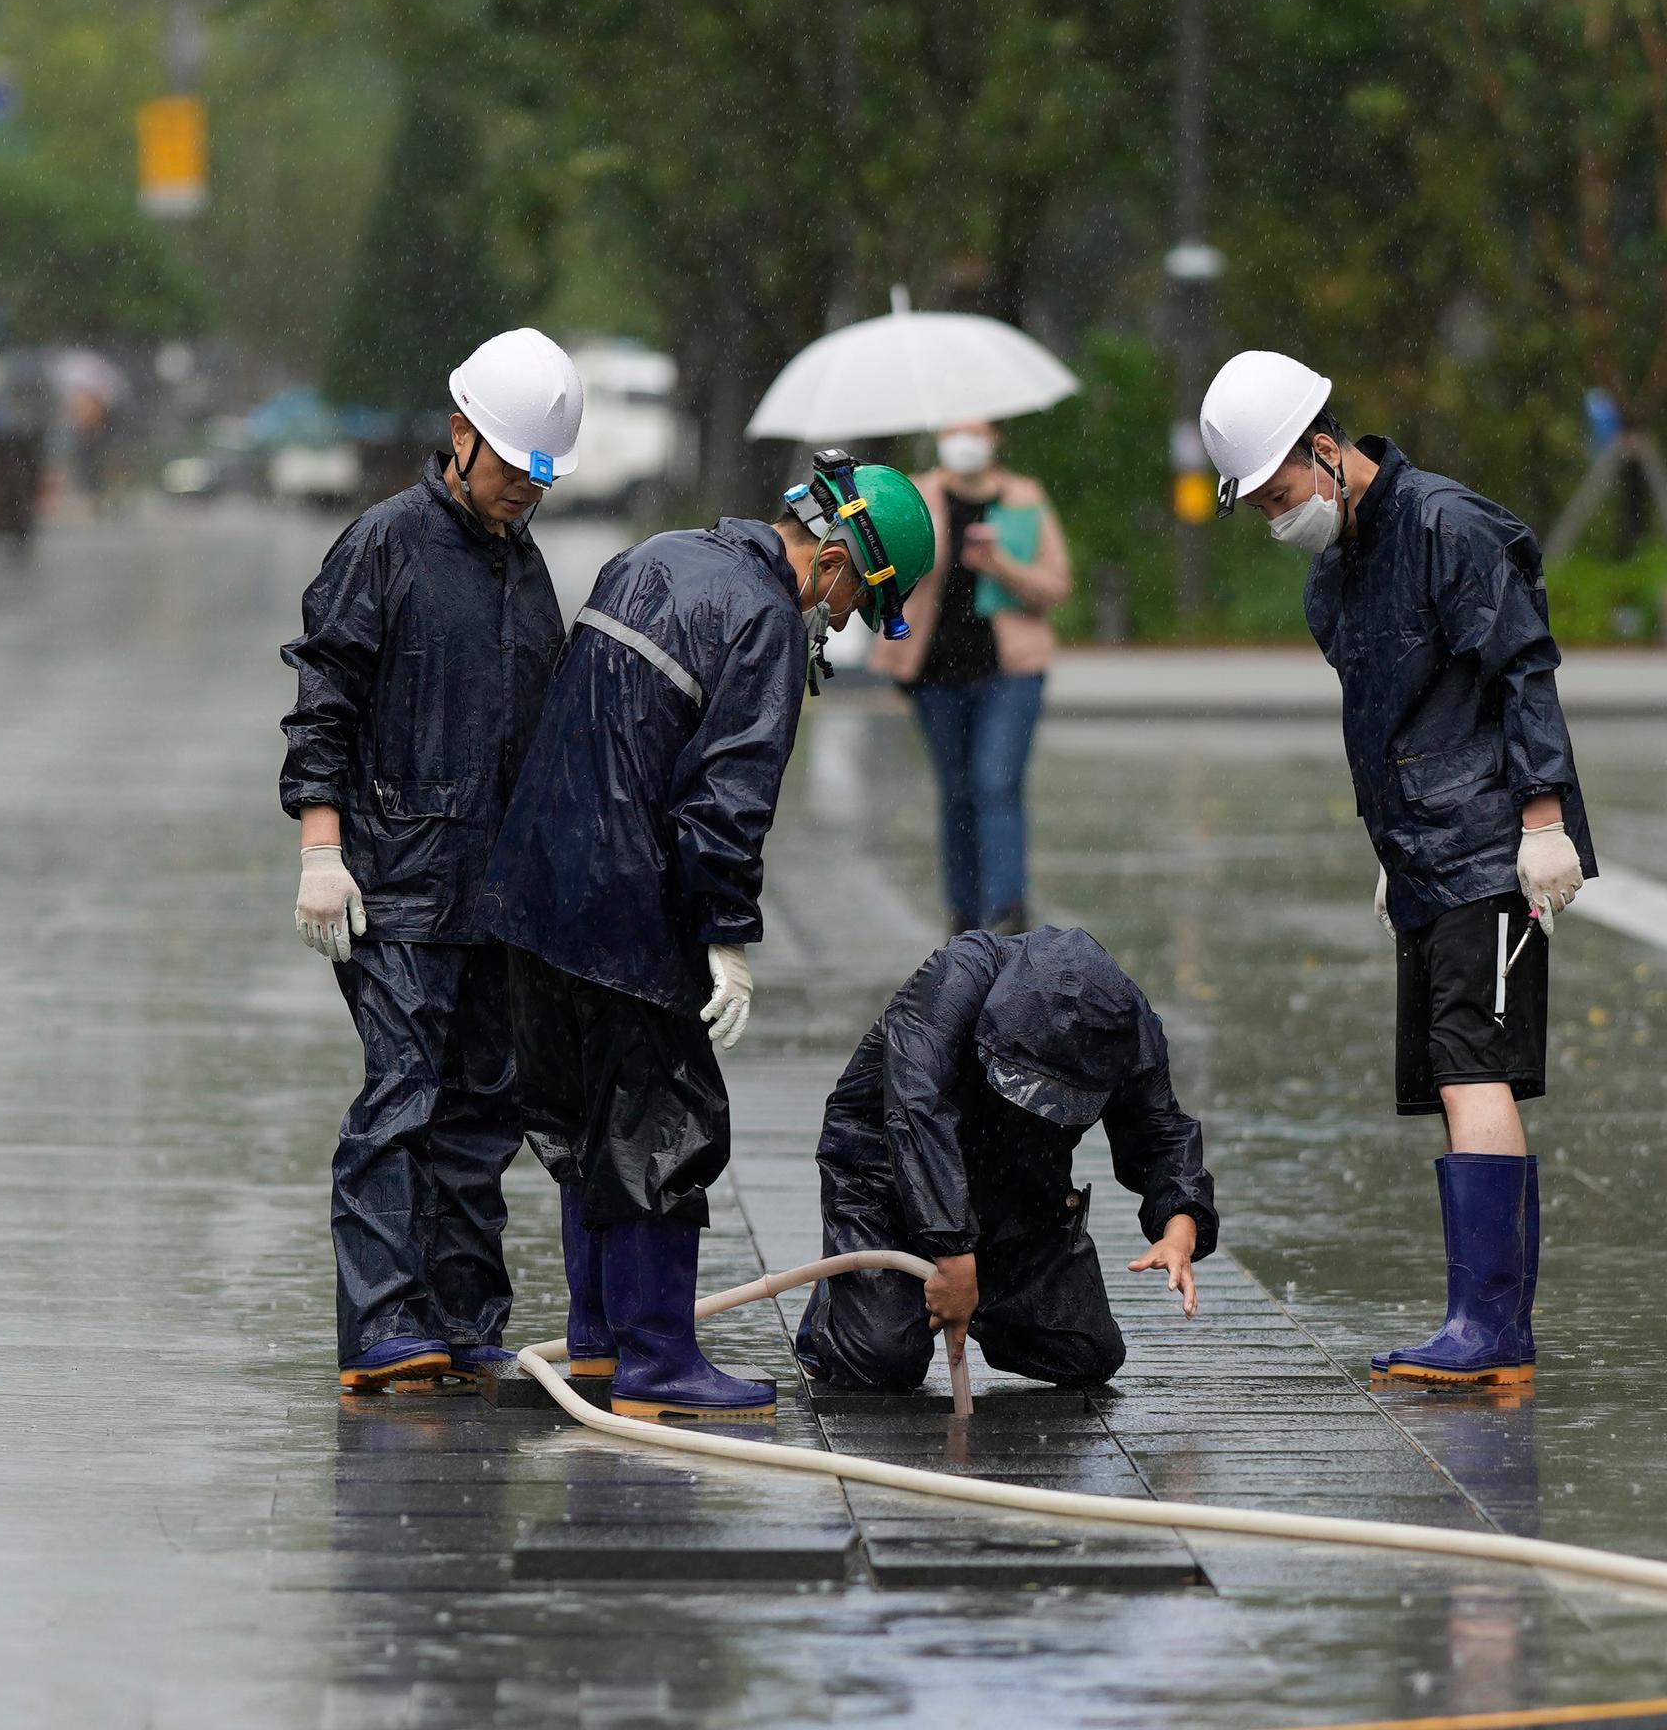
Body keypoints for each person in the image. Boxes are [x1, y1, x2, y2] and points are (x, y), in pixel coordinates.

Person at [485, 450, 936, 1418]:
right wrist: (724, 936)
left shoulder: (655, 556)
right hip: (627, 911)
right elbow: (725, 803)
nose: (844, 620)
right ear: (834, 560)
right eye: (858, 598)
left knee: (584, 1125)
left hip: (533, 894)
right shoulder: (765, 621)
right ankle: (657, 1362)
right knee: (663, 1127)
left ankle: (601, 1343)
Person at [1198, 349, 1595, 1389]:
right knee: (1451, 1076)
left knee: (1475, 1069)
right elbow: (1385, 719)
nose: (1281, 518)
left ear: (1326, 452)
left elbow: (1522, 670)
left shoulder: (1447, 528)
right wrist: (1389, 849)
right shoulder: (1341, 570)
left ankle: (1491, 1329)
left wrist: (1543, 819)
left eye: (1283, 494)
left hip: (1490, 846)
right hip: (1421, 852)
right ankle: (1480, 1324)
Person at [280, 327, 581, 1394]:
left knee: (481, 1117)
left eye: (539, 481)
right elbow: (324, 706)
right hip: (396, 891)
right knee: (399, 1102)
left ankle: (462, 1320)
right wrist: (323, 849)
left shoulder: (527, 570)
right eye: (509, 473)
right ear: (460, 437)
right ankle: (381, 1327)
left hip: (494, 903)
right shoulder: (383, 547)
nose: (521, 495)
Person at [794, 926, 1218, 1394]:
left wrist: (1180, 1226)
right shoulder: (957, 978)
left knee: (1085, 1354)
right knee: (882, 1362)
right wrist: (954, 1255)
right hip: (886, 1173)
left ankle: (964, 1294)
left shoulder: (1127, 1029)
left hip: (1016, 1184)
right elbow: (916, 1113)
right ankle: (845, 1294)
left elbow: (1161, 1131)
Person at [874, 421, 1075, 934]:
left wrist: (1001, 565)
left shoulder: (1024, 498)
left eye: (975, 429)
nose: (964, 439)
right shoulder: (914, 496)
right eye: (954, 429)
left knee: (997, 783)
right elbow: (880, 576)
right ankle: (962, 917)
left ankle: (1007, 910)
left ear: (995, 436)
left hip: (1010, 671)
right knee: (955, 791)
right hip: (934, 672)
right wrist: (929, 553)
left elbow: (1055, 586)